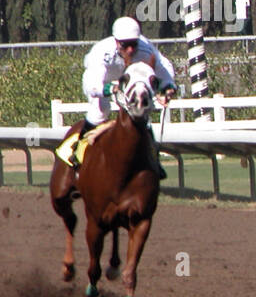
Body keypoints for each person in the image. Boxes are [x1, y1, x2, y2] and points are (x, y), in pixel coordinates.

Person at [69, 16, 177, 177]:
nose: (131, 50)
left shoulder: (145, 48)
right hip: (102, 81)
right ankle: (79, 154)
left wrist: (168, 87)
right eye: (126, 45)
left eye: (134, 44)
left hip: (129, 82)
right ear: (117, 42)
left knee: (141, 113)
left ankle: (154, 160)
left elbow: (164, 67)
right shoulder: (102, 52)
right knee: (101, 110)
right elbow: (92, 84)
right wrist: (110, 88)